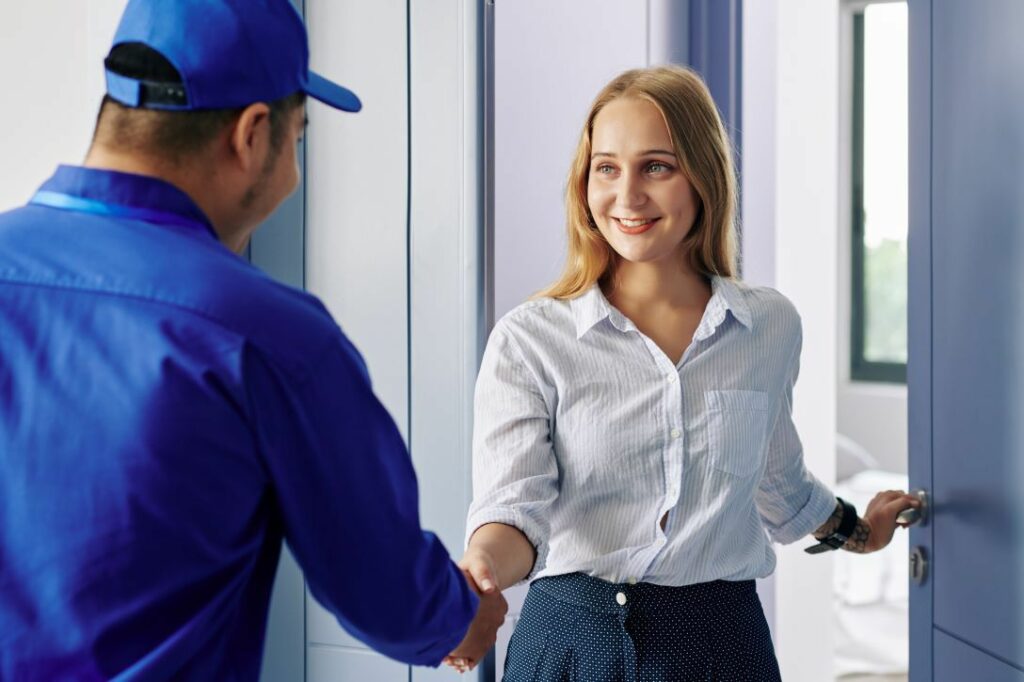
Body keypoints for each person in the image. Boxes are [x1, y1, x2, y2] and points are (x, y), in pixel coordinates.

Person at [0, 0, 505, 679]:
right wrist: (463, 618)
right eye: (297, 139)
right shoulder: (268, 335)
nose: (292, 170)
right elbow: (388, 595)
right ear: (251, 134)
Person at [450, 65, 918, 680]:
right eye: (607, 168)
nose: (627, 196)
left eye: (657, 166)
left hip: (722, 647)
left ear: (703, 176)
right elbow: (514, 508)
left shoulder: (770, 327)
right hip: (568, 647)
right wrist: (479, 570)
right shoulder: (530, 339)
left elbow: (778, 485)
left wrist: (861, 533)